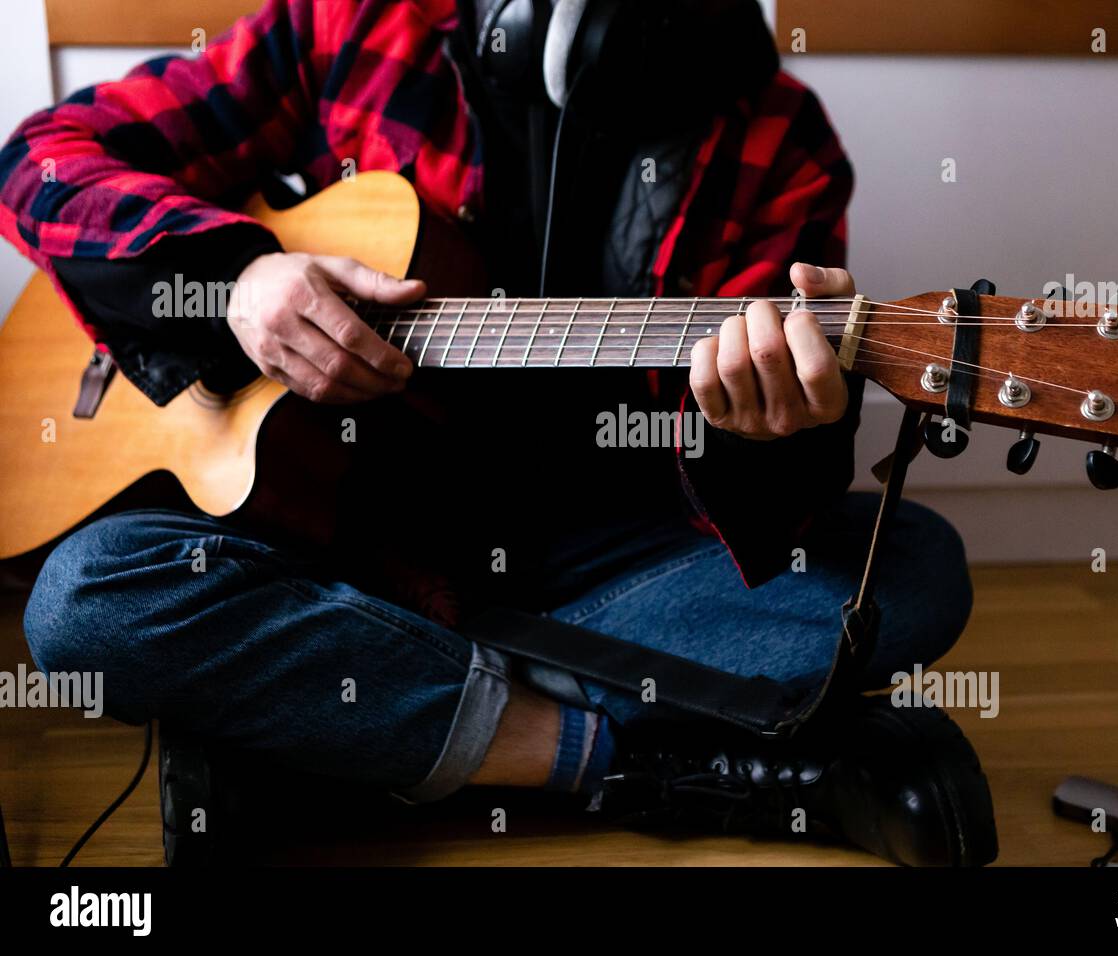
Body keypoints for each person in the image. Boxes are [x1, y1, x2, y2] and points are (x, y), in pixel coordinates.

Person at [0, 0, 996, 864]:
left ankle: (344, 715)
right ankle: (632, 762)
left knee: (910, 569)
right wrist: (238, 284)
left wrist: (769, 432)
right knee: (90, 601)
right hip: (333, 530)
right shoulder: (354, 23)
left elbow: (781, 502)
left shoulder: (780, 141)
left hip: (585, 549)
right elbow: (39, 160)